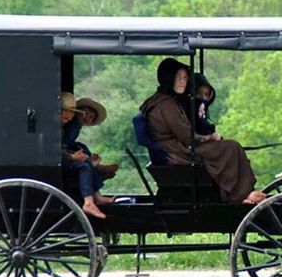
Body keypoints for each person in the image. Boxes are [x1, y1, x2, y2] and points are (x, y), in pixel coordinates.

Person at [139, 58, 266, 205]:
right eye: (178, 78)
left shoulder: (165, 101)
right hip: (178, 152)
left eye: (185, 78)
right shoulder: (166, 105)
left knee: (229, 146)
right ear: (168, 78)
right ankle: (240, 195)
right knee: (231, 147)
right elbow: (187, 136)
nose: (182, 82)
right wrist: (207, 138)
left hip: (178, 148)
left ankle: (242, 191)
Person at [61, 92, 113, 219]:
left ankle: (97, 193)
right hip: (58, 158)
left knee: (81, 149)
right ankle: (89, 202)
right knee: (85, 166)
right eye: (85, 113)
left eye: (91, 117)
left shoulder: (71, 125)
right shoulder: (60, 127)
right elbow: (55, 147)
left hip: (64, 153)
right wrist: (72, 157)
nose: (87, 117)